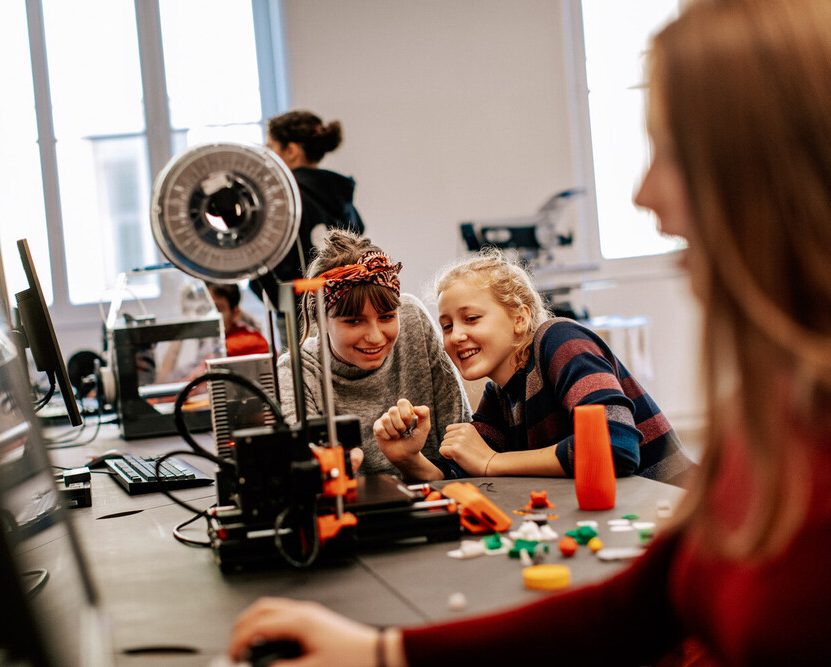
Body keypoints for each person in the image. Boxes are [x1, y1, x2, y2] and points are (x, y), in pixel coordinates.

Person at [227, 0, 831, 663]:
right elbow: (635, 606)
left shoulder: (563, 344)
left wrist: (483, 466)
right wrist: (383, 649)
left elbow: (611, 457)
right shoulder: (770, 412)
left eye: (671, 151)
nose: (640, 193)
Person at [430, 248, 694, 486]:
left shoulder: (559, 339)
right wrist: (409, 457)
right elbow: (463, 468)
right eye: (447, 326)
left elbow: (613, 446)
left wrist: (492, 462)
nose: (455, 336)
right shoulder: (499, 395)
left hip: (679, 508)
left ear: (520, 319)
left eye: (471, 318)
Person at [279, 229, 471, 480]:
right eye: (354, 321)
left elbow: (462, 442)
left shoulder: (413, 319)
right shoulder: (297, 371)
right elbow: (304, 476)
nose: (376, 337)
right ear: (321, 320)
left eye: (387, 317)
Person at [249, 111, 365, 334]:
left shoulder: (286, 200)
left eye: (271, 147)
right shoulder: (341, 195)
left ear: (291, 151)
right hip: (348, 313)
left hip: (300, 318)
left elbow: (264, 262)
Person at [205, 282, 270, 357]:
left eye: (218, 309)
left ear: (236, 313)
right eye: (203, 309)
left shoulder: (240, 345)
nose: (209, 316)